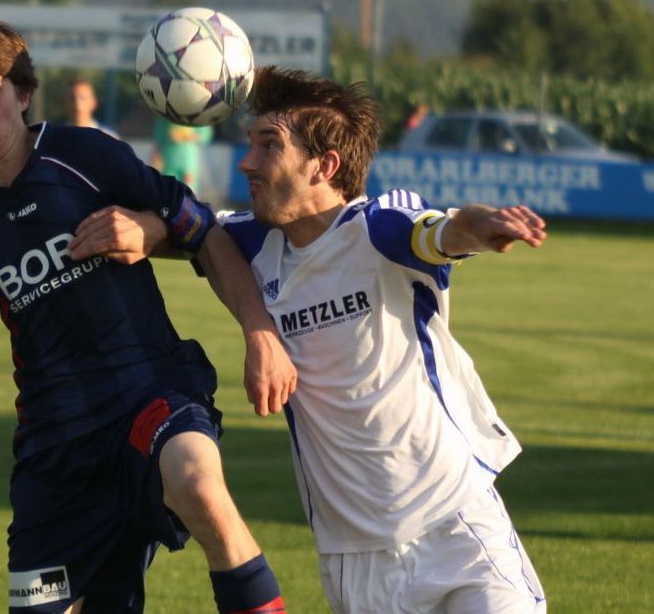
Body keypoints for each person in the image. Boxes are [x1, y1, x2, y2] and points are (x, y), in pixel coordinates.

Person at [0, 19, 296, 614]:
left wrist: (259, 333)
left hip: (149, 394)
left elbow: (203, 232)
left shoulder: (83, 155)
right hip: (56, 449)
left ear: (23, 94)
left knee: (198, 484)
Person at [111, 66, 548, 614]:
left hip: (454, 526)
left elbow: (445, 229)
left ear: (326, 165)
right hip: (352, 560)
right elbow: (196, 232)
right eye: (250, 143)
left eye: (268, 146)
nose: (247, 162)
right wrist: (148, 231)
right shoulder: (252, 240)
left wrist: (481, 225)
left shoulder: (378, 228)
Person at [150, 115, 212, 194]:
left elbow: (205, 135)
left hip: (188, 162)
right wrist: (155, 158)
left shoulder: (197, 114)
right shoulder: (165, 114)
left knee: (189, 191)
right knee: (168, 191)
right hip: (168, 161)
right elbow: (158, 138)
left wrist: (187, 136)